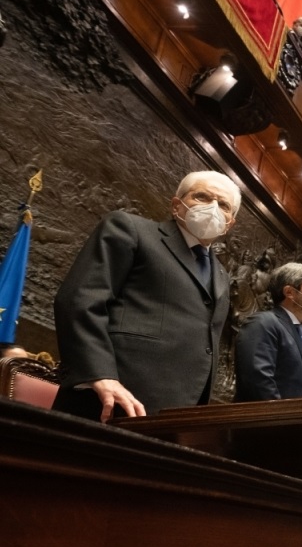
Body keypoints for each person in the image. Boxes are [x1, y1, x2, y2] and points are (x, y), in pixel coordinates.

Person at [53, 171, 239, 422]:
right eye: (202, 196)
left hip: (179, 413)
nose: (212, 208)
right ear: (177, 205)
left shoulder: (221, 274)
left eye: (224, 205)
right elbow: (80, 300)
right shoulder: (131, 229)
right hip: (109, 401)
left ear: (230, 223)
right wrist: (98, 374)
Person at [234, 263, 302, 401]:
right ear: (289, 292)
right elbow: (258, 380)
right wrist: (281, 419)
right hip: (269, 420)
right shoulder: (263, 323)